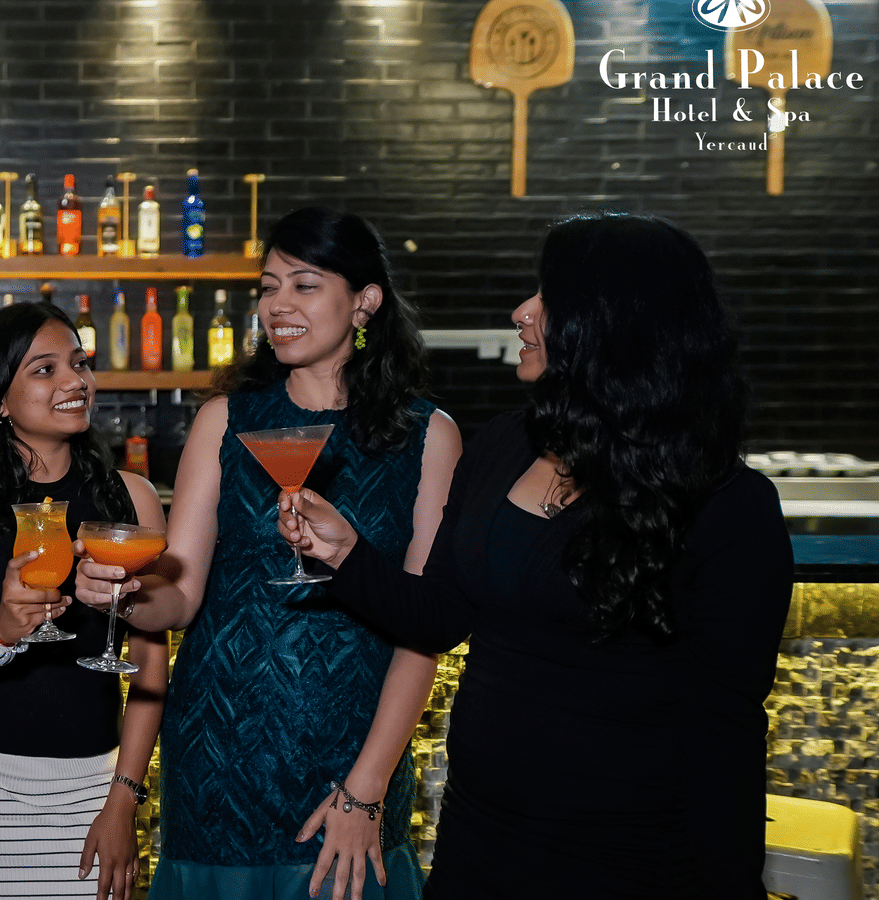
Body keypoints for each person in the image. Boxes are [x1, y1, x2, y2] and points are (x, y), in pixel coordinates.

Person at [280, 212, 794, 899]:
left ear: (611, 322)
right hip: (480, 845)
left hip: (633, 862)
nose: (522, 312)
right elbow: (440, 617)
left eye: (546, 297)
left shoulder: (727, 506)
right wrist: (345, 556)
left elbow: (724, 738)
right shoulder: (503, 445)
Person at [79, 208, 461, 900]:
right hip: (219, 761)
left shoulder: (429, 437)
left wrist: (367, 789)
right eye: (268, 286)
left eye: (304, 286)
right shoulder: (226, 419)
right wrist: (127, 593)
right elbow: (183, 593)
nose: (277, 306)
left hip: (350, 765)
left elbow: (424, 627)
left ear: (365, 301)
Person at [0, 303, 169, 900]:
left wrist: (123, 799)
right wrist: (1, 631)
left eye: (79, 364)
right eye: (44, 369)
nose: (74, 381)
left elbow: (151, 666)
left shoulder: (128, 499)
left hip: (95, 784)